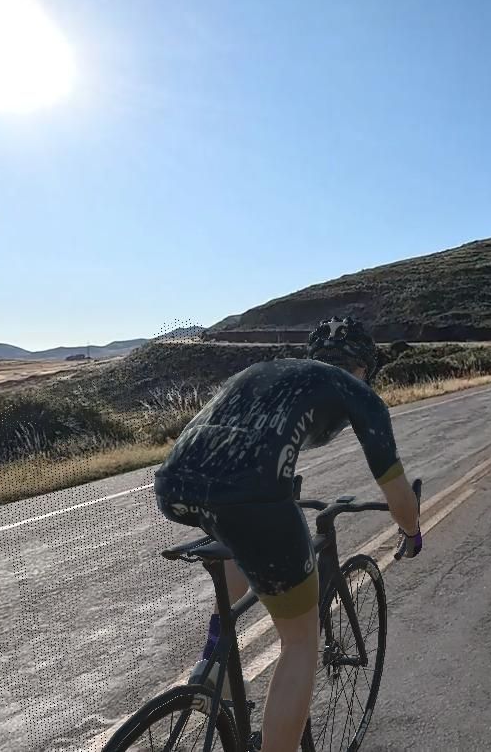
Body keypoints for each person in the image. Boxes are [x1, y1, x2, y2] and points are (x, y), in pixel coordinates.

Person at [152, 317, 423, 752]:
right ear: (365, 368)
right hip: (250, 495)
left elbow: (250, 435)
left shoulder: (268, 371)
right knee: (300, 641)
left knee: (239, 541)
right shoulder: (357, 392)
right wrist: (411, 532)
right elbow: (397, 493)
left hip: (174, 484)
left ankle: (214, 664)